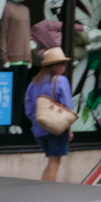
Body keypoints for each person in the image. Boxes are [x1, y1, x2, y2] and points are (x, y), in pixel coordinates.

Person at [26, 47, 75, 182]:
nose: (64, 66)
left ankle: (42, 189)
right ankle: (48, 193)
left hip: (39, 130)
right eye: (62, 63)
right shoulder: (61, 80)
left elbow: (29, 108)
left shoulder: (34, 83)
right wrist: (69, 130)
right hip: (56, 129)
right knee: (55, 163)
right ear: (55, 66)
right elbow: (68, 108)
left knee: (51, 161)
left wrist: (39, 122)